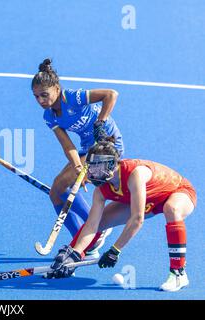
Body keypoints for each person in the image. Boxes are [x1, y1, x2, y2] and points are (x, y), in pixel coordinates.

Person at [46, 139, 196, 292]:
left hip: (178, 192)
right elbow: (92, 224)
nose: (92, 174)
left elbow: (137, 219)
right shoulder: (101, 189)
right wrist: (73, 254)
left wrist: (115, 250)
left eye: (97, 168)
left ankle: (178, 273)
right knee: (101, 221)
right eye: (90, 168)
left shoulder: (134, 174)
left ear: (111, 166)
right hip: (144, 201)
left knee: (172, 209)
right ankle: (71, 261)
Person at [32, 58, 124, 257]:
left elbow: (111, 94)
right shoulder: (49, 116)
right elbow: (67, 146)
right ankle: (85, 240)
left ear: (57, 89)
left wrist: (101, 122)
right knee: (56, 191)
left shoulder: (72, 97)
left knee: (63, 185)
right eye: (36, 96)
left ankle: (96, 227)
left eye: (44, 95)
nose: (40, 100)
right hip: (86, 149)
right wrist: (76, 167)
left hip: (106, 146)